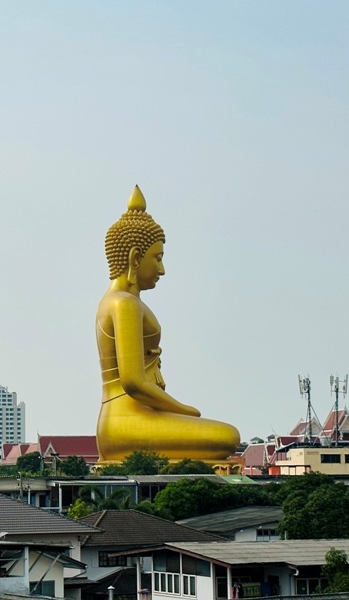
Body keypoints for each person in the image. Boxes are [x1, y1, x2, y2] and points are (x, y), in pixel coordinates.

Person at [95, 186, 240, 463]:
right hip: (125, 421)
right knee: (227, 436)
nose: (162, 270)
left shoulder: (119, 301)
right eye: (157, 258)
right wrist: (184, 410)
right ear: (135, 258)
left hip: (129, 419)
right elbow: (134, 382)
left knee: (225, 436)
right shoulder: (123, 303)